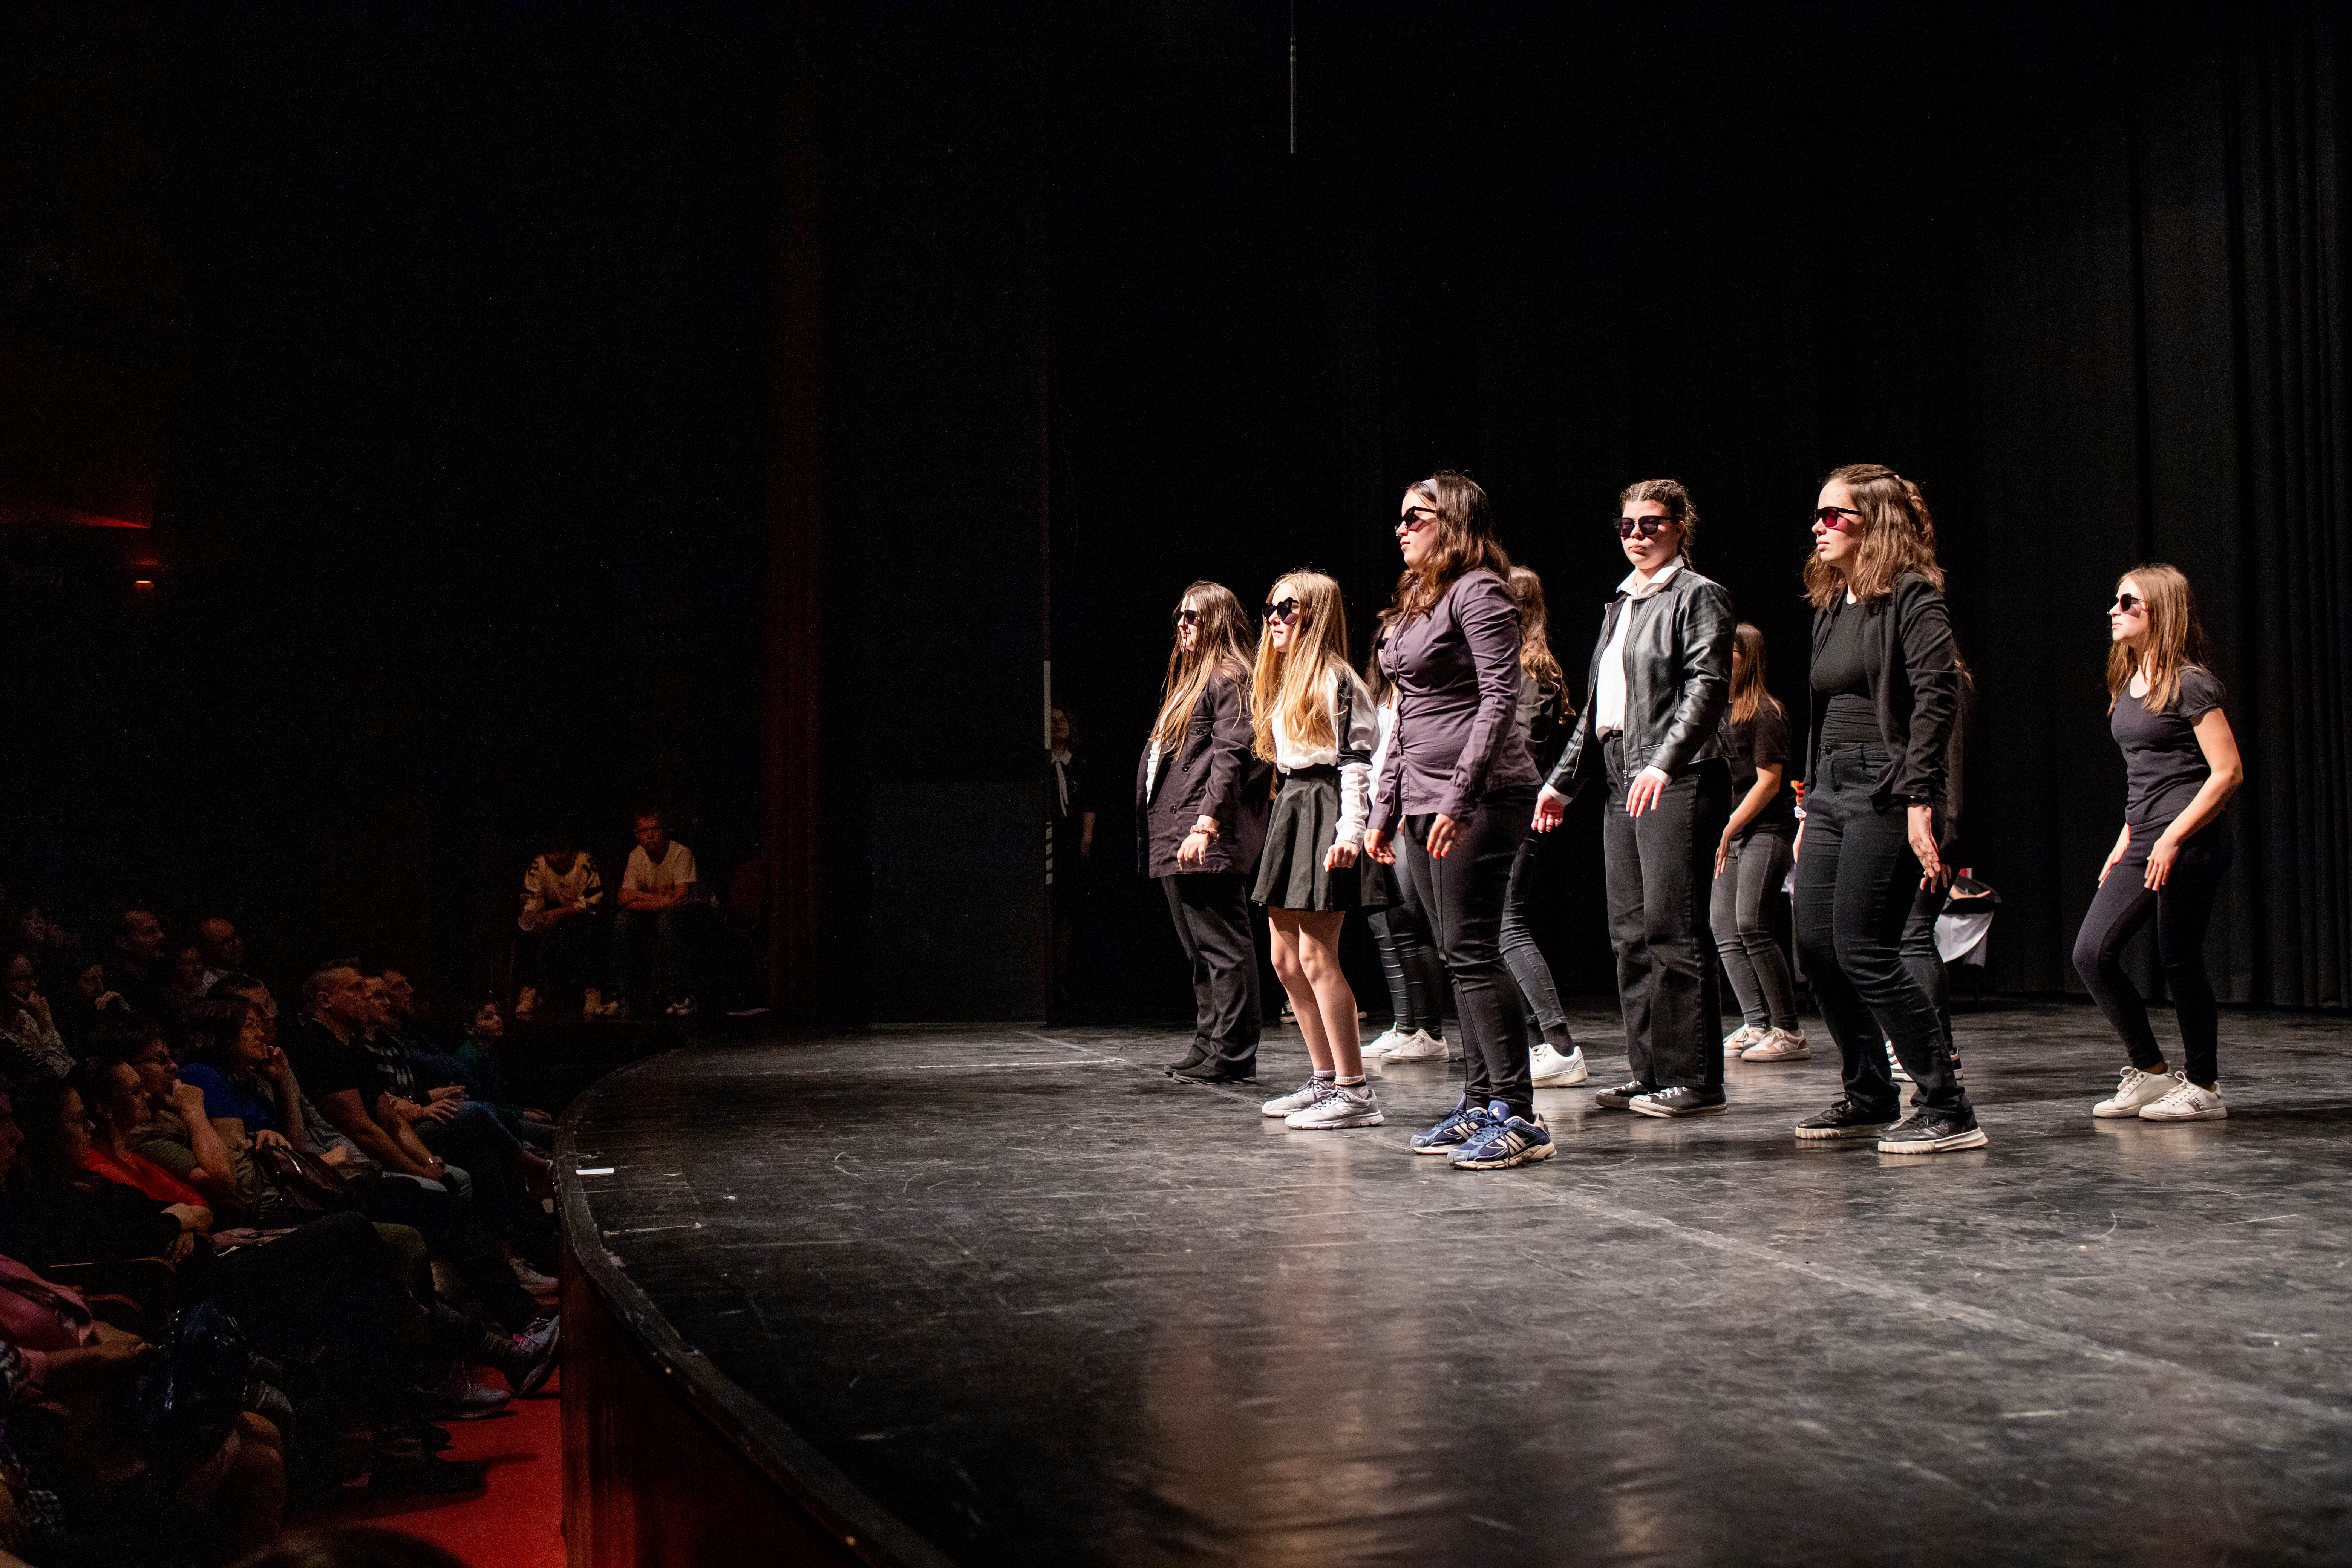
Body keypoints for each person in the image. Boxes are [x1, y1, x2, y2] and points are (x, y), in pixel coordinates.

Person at [1787, 464, 1983, 1153]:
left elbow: (1937, 697)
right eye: (1818, 515)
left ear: (1875, 523)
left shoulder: (1911, 595)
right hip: (1831, 788)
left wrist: (1920, 797)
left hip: (1885, 785)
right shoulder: (1832, 604)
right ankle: (1870, 1093)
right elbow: (1824, 713)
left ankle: (1947, 1105)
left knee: (1865, 949)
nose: (1819, 527)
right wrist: (1809, 802)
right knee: (1816, 950)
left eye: (1833, 515)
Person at [1364, 471, 1553, 1170]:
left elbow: (1500, 698)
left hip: (1482, 795)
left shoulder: (1479, 591)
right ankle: (1480, 1102)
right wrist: (1384, 808)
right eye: (1401, 516)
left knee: (1473, 949)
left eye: (1417, 516)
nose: (1402, 528)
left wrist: (1459, 796)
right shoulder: (1420, 600)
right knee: (1456, 952)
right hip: (1420, 796)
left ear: (1455, 522)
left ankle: (1519, 1114)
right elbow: (1406, 716)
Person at [1534, 479, 1735, 1120]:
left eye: (1651, 524)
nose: (1638, 536)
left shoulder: (1697, 595)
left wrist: (1664, 763)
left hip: (1678, 774)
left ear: (1680, 528)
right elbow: (1600, 708)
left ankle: (1695, 1079)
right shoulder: (1620, 604)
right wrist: (1561, 783)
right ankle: (1650, 1073)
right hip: (1622, 773)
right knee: (1629, 935)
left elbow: (1707, 687)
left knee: (1673, 928)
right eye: (1627, 526)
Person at [2074, 564, 2244, 1122]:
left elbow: (2227, 772)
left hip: (2190, 836)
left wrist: (2171, 838)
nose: (2114, 611)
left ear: (2160, 612)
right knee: (2092, 954)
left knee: (2179, 958)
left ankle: (2204, 1086)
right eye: (2116, 600)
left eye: (2128, 603)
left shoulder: (2190, 682)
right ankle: (2149, 1072)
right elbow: (2145, 773)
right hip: (2144, 836)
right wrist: (2126, 838)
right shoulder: (2127, 681)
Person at [1248, 571, 1387, 1132]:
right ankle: (1325, 1078)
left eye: (1288, 608)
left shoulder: (1338, 679)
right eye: (1270, 608)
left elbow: (1357, 762)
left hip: (1326, 806)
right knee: (1284, 959)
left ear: (1317, 614)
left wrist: (1351, 831)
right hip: (1294, 805)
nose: (1275, 619)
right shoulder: (1287, 678)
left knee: (1316, 956)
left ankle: (1355, 1090)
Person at [1139, 582, 1272, 1084]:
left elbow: (1232, 755)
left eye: (1193, 616)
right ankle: (1208, 1041)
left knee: (1223, 946)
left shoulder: (1231, 675)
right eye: (1180, 615)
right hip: (1175, 828)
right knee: (1199, 949)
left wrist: (1207, 822)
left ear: (1217, 621)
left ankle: (1233, 1052)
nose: (1182, 624)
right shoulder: (1194, 679)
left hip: (1202, 829)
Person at [1499, 565, 1586, 1088]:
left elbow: (1526, 747)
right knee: (1495, 928)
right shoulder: (1509, 666)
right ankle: (1540, 1043)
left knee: (1507, 924)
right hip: (1503, 809)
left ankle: (1560, 1045)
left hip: (1516, 811)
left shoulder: (1532, 669)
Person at [1356, 617, 1450, 1066]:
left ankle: (1431, 1031)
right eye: (1382, 642)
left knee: (1412, 925)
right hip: (1377, 822)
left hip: (1408, 822)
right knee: (1386, 927)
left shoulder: (1425, 699)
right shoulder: (1376, 701)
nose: (1387, 649)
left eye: (1396, 641)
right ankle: (1405, 1025)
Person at [1712, 622, 1807, 1063]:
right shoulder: (1715, 711)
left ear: (1745, 657)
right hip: (1729, 833)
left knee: (1751, 924)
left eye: (1727, 651)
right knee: (1724, 928)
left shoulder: (1766, 712)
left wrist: (1730, 826)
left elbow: (1770, 782)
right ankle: (1757, 1023)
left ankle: (1789, 1030)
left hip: (1765, 831)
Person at [610, 812, 710, 1018]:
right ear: (637, 835)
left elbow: (681, 899)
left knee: (667, 922)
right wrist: (663, 901)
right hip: (660, 910)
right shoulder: (636, 855)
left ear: (665, 831)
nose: (650, 835)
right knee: (622, 921)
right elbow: (624, 899)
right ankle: (622, 994)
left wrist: (639, 896)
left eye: (655, 829)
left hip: (695, 911)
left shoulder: (681, 853)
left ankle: (683, 995)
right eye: (644, 831)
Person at [517, 836, 606, 1020]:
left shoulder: (585, 864)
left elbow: (592, 903)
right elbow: (531, 897)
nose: (557, 857)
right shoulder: (538, 865)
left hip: (583, 916)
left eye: (562, 851)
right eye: (551, 852)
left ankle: (593, 990)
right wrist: (535, 915)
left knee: (589, 930)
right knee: (528, 934)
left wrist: (560, 914)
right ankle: (530, 990)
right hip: (552, 914)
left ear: (571, 849)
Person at [1047, 706, 1096, 1009]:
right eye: (1052, 721)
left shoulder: (1079, 764)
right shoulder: (1043, 763)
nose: (1059, 725)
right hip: (1046, 841)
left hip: (1070, 842)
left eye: (1063, 720)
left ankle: (1063, 983)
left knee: (1067, 912)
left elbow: (1089, 803)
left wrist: (1086, 838)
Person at [0, 952, 71, 1081]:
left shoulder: (25, 1018)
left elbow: (68, 1065)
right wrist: (45, 1023)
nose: (34, 985)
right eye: (22, 978)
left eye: (33, 977)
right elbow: (57, 1078)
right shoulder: (4, 1040)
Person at [101, 909, 169, 1018]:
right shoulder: (112, 982)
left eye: (158, 929)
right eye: (149, 931)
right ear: (123, 943)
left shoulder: (160, 971)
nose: (161, 936)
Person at [196, 916, 247, 994]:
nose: (239, 943)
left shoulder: (237, 970)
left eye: (236, 935)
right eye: (227, 941)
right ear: (209, 950)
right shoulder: (208, 986)